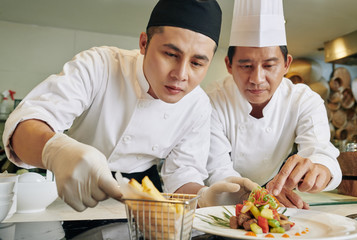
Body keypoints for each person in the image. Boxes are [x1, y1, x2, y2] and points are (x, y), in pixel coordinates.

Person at [2, 0, 232, 212]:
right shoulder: (100, 66)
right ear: (144, 43)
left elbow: (182, 174)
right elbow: (25, 123)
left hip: (140, 197)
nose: (181, 75)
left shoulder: (198, 105)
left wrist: (203, 197)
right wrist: (57, 151)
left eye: (196, 63)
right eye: (171, 54)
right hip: (68, 186)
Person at [204, 0, 342, 209]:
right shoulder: (212, 100)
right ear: (229, 65)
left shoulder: (304, 100)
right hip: (223, 200)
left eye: (269, 65)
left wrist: (319, 169)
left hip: (273, 190)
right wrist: (260, 198)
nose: (257, 79)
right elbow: (217, 171)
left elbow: (321, 151)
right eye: (246, 65)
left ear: (286, 64)